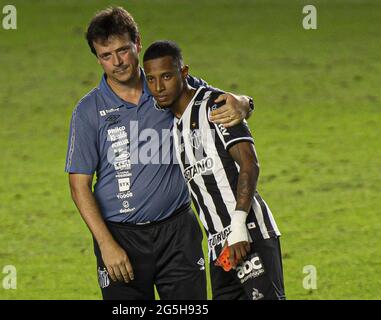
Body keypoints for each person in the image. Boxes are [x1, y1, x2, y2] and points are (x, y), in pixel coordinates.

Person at [65, 7, 253, 300]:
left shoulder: (169, 87)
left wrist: (243, 104)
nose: (117, 62)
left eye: (123, 50)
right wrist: (106, 244)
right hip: (120, 238)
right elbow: (79, 186)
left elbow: (223, 100)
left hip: (178, 233)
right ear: (97, 58)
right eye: (106, 55)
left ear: (137, 43)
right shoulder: (88, 111)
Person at [143, 40, 285, 300]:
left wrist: (239, 227)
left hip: (248, 235)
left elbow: (249, 164)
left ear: (184, 73)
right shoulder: (174, 123)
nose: (159, 87)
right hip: (219, 250)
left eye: (166, 76)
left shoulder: (215, 106)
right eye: (151, 80)